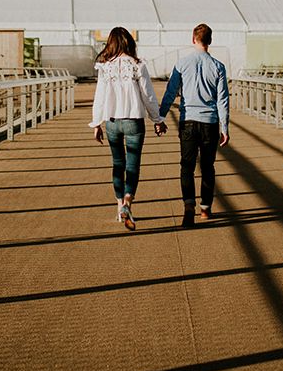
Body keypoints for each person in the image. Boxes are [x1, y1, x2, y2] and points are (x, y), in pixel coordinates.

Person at [90, 27, 166, 230]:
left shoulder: (105, 66)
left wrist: (96, 123)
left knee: (117, 163)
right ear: (129, 42)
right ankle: (128, 202)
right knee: (132, 164)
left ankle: (118, 207)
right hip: (134, 120)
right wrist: (157, 119)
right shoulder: (137, 65)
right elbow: (148, 95)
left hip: (112, 120)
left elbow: (100, 97)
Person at [159, 23, 230, 228]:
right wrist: (224, 128)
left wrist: (161, 116)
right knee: (208, 167)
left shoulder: (182, 64)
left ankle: (188, 205)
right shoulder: (218, 66)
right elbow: (222, 100)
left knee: (186, 167)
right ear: (210, 41)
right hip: (210, 122)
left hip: (188, 120)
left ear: (193, 39)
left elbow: (171, 92)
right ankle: (205, 208)